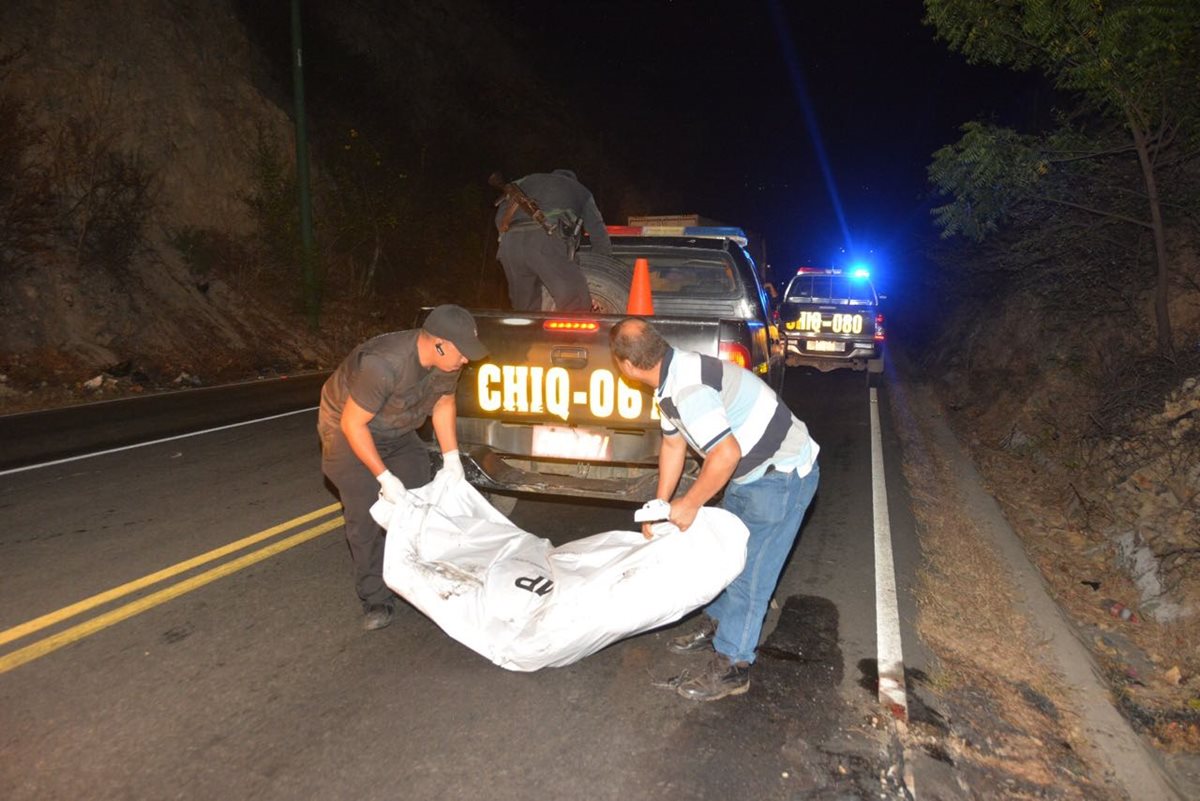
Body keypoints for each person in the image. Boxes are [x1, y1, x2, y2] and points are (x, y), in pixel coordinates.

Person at [610, 317, 820, 701]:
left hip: (781, 474)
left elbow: (725, 454)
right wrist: (660, 505)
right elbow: (673, 446)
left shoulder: (688, 388)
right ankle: (719, 621)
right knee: (728, 555)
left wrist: (689, 503)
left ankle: (734, 664)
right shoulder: (671, 377)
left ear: (626, 365)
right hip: (749, 473)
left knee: (752, 571)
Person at [318, 304, 489, 631]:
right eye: (463, 352)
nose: (467, 359)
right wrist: (383, 477)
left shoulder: (447, 361)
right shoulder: (384, 364)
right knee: (366, 513)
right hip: (347, 431)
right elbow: (354, 424)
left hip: (396, 429)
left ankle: (414, 579)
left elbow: (443, 402)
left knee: (420, 502)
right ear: (439, 344)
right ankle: (375, 597)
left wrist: (451, 457)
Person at [494, 169, 611, 311]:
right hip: (544, 240)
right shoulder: (581, 191)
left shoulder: (525, 180)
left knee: (524, 311)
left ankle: (527, 332)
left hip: (510, 246)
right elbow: (599, 235)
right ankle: (574, 333)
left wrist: (506, 238)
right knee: (576, 303)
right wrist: (605, 274)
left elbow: (500, 216)